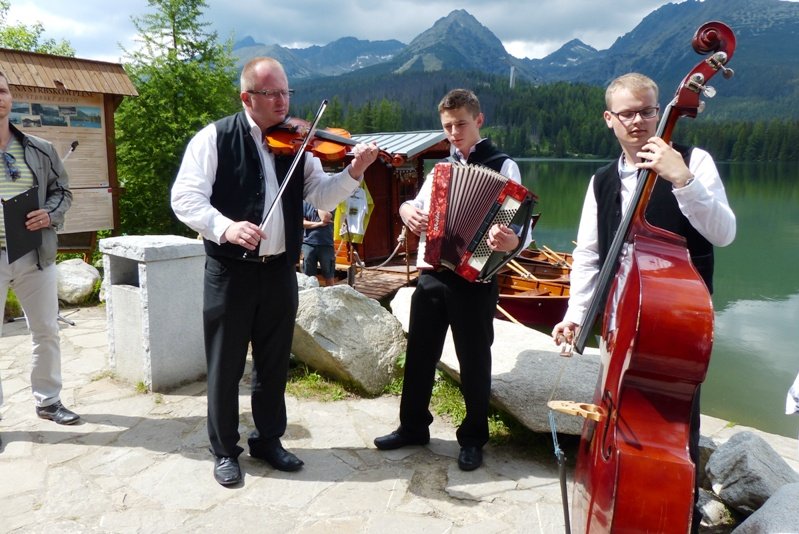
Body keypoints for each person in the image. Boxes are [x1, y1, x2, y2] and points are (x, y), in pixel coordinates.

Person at [171, 57, 379, 486]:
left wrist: (354, 171)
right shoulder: (214, 138)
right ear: (247, 97)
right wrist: (225, 227)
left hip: (280, 270)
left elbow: (322, 196)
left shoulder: (299, 143)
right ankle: (225, 450)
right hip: (230, 272)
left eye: (286, 92)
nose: (283, 101)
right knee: (226, 365)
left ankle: (268, 440)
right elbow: (185, 198)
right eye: (272, 93)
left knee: (273, 363)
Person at [550, 72, 736, 531]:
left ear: (661, 111)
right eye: (627, 113)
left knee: (674, 423)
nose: (638, 121)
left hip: (675, 324)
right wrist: (576, 315)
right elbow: (589, 254)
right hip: (619, 321)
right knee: (614, 414)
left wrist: (683, 179)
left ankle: (677, 510)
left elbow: (725, 233)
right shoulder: (601, 181)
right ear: (609, 119)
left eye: (647, 111)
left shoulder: (694, 161)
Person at [374, 88, 528, 471]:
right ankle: (413, 426)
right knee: (419, 353)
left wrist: (512, 241)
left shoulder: (504, 166)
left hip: (476, 278)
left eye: (461, 124)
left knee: (473, 359)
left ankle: (473, 437)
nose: (454, 133)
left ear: (479, 120)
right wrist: (406, 210)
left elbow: (521, 229)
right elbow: (416, 205)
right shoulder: (441, 169)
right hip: (433, 272)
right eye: (447, 127)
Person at [0, 70, 78, 438]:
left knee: (46, 330)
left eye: (2, 91)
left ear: (10, 97)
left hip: (35, 254)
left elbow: (63, 191)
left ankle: (48, 401)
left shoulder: (40, 148)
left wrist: (49, 213)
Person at [301, 201, 335, 286]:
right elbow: (302, 223)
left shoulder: (329, 202)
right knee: (308, 278)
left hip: (326, 244)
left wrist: (318, 203)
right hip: (308, 244)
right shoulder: (305, 203)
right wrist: (319, 224)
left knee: (329, 275)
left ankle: (331, 294)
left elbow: (325, 217)